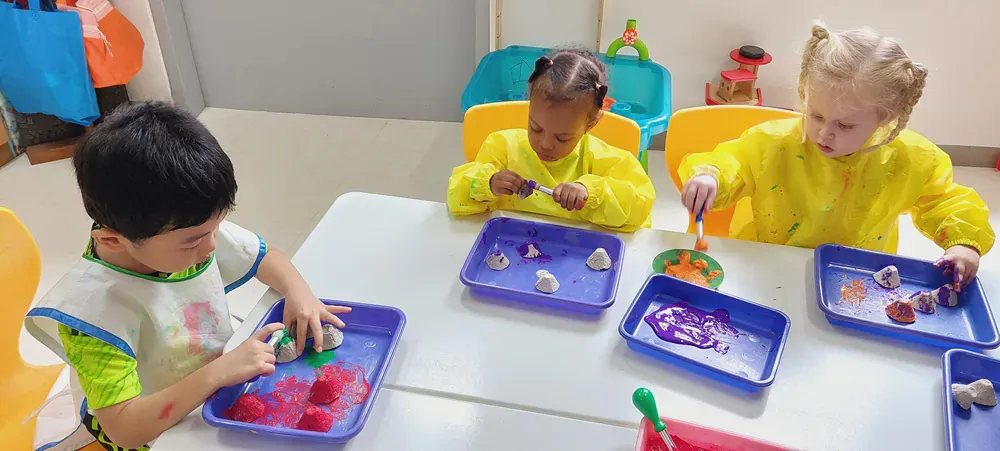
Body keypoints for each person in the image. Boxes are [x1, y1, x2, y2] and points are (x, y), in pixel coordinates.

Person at [24, 102, 351, 450]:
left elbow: (267, 257)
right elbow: (125, 430)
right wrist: (218, 373)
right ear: (113, 241)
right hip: (152, 427)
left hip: (214, 384)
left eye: (217, 227)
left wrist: (298, 292)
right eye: (195, 240)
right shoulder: (89, 315)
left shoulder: (185, 229)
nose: (212, 246)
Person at [679, 23, 993, 290]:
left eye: (844, 125)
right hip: (767, 268)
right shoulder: (771, 143)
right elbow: (733, 162)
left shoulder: (911, 159)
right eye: (815, 115)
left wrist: (964, 243)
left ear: (885, 118)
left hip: (855, 276)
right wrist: (710, 175)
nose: (824, 133)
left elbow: (946, 202)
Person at [447, 50, 655, 232]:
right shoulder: (502, 146)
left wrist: (592, 193)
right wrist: (489, 183)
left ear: (590, 124)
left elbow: (640, 210)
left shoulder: (609, 161)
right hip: (512, 251)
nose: (545, 144)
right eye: (535, 128)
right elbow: (456, 197)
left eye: (562, 137)